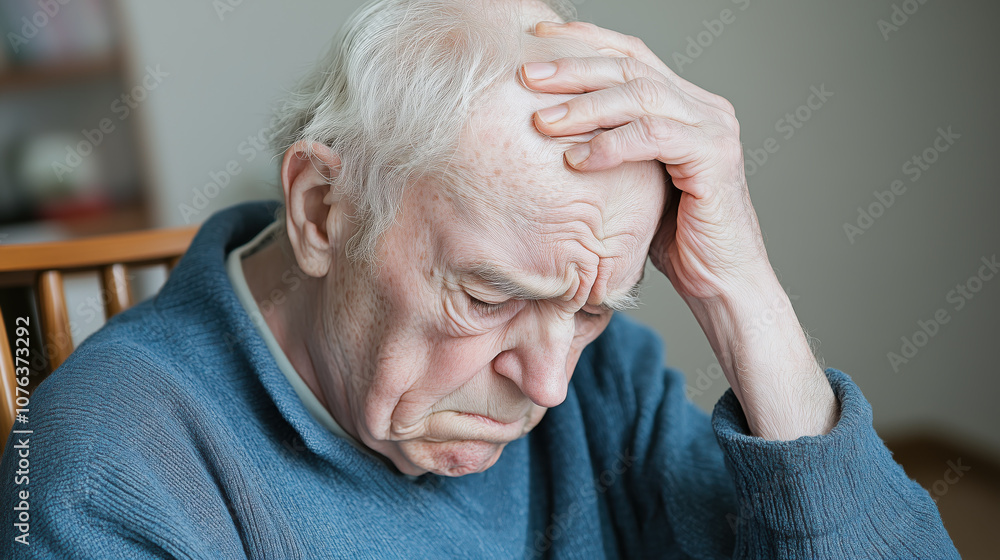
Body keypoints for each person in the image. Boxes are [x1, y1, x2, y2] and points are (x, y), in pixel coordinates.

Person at [1, 0, 959, 558]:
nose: (547, 387)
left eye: (589, 307)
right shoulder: (107, 474)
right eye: (491, 295)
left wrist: (745, 294)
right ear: (324, 211)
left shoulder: (604, 382)